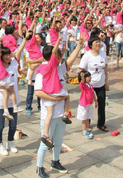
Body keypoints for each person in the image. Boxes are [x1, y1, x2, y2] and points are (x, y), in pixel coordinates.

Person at [35, 33, 85, 178]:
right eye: (57, 55)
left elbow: (71, 59)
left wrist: (79, 45)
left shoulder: (59, 68)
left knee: (58, 140)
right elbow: (38, 92)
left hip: (60, 114)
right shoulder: (42, 72)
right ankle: (39, 167)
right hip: (48, 114)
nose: (60, 57)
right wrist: (56, 99)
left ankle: (55, 161)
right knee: (46, 143)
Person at [0, 37, 27, 156]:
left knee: (13, 125)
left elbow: (20, 50)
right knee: (0, 125)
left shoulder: (13, 64)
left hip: (13, 100)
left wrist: (25, 38)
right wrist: (6, 88)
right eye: (5, 55)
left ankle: (10, 142)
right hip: (1, 100)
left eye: (8, 54)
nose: (7, 57)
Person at [38, 36, 71, 149]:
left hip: (48, 94)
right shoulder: (52, 65)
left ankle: (46, 135)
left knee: (49, 115)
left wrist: (63, 49)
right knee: (67, 96)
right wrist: (58, 41)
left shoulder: (42, 68)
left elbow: (59, 57)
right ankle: (66, 113)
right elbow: (55, 56)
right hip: (56, 91)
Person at [78, 36, 109, 132]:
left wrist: (106, 80)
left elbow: (106, 68)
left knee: (102, 104)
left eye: (99, 42)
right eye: (96, 42)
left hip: (101, 84)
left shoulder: (103, 54)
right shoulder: (87, 56)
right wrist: (83, 83)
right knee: (88, 105)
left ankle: (101, 123)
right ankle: (88, 124)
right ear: (91, 44)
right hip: (89, 86)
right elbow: (80, 70)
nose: (98, 44)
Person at [0, 37, 23, 120]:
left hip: (1, 80)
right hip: (4, 79)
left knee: (5, 95)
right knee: (12, 92)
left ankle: (6, 111)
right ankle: (15, 107)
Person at [77, 70, 97, 139]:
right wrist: (82, 77)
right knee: (84, 119)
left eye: (90, 77)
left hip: (89, 104)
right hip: (83, 105)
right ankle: (84, 132)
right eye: (88, 77)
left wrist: (96, 101)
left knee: (88, 118)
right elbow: (82, 83)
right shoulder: (84, 85)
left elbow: (93, 93)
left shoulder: (91, 85)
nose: (90, 78)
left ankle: (88, 128)